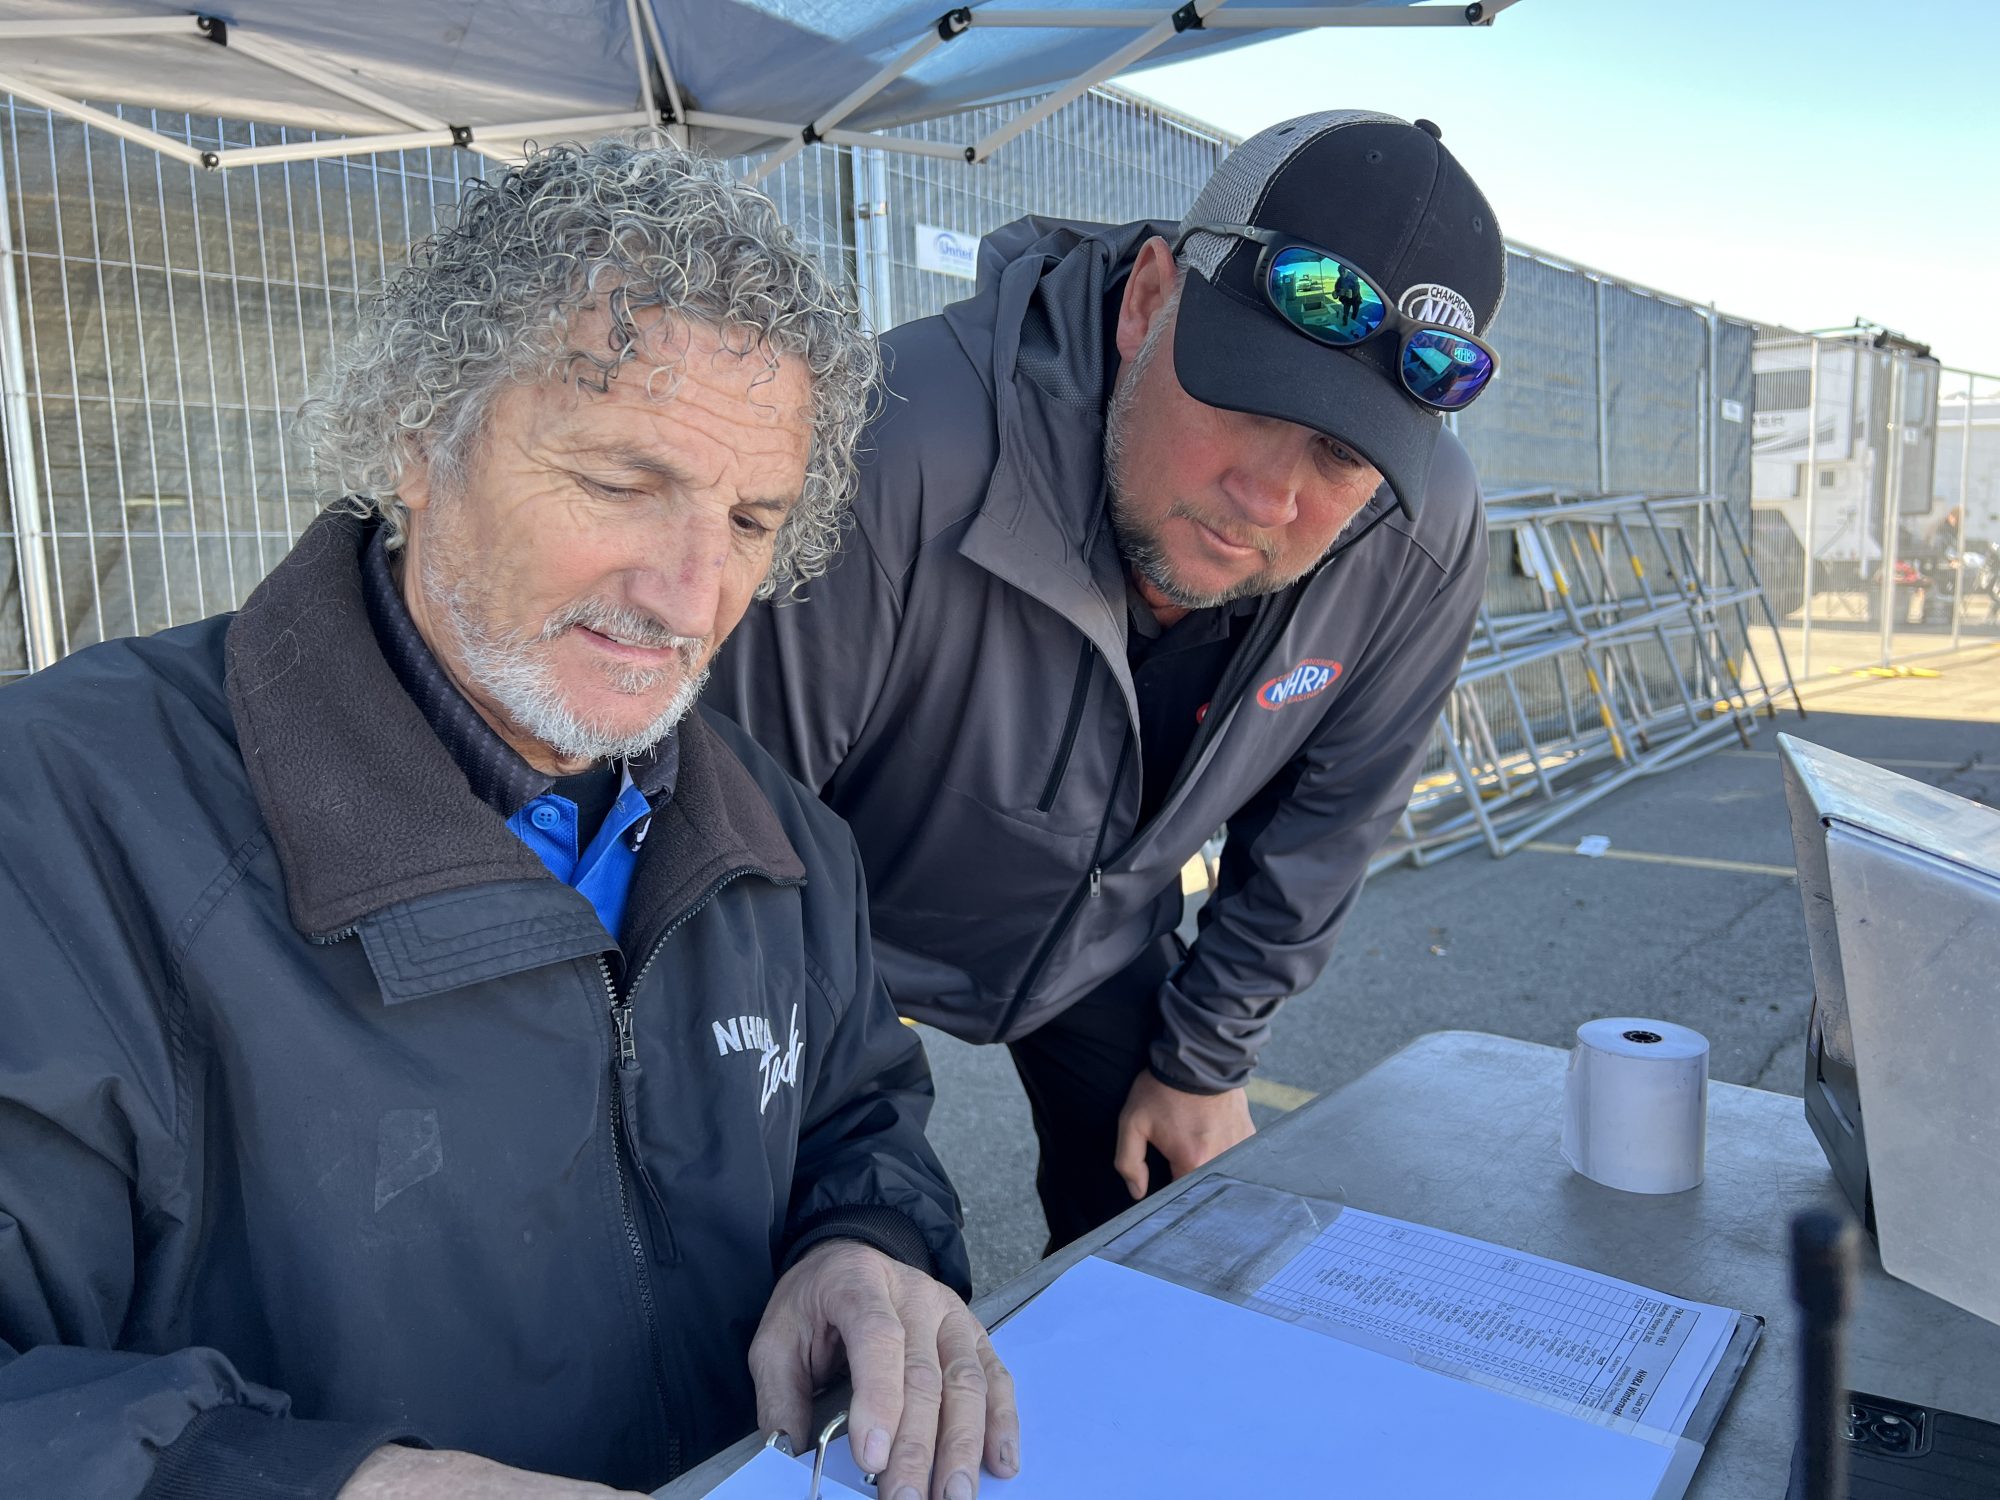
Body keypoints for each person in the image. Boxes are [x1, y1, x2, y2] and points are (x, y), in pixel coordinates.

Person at [0, 139, 1017, 1500]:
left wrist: (866, 1248)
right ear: (422, 440)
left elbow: (856, 1117)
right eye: (618, 484)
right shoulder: (63, 817)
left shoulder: (771, 832)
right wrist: (336, 1486)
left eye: (754, 516)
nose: (692, 591)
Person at [714, 110, 1506, 1250]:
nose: (1270, 497)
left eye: (1340, 453)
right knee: (818, 1273)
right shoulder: (898, 443)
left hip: (1093, 925)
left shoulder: (1414, 535)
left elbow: (1327, 819)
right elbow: (738, 846)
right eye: (1248, 400)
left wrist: (1204, 1058)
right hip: (833, 893)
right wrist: (858, 1212)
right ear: (1146, 303)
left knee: (1176, 1227)